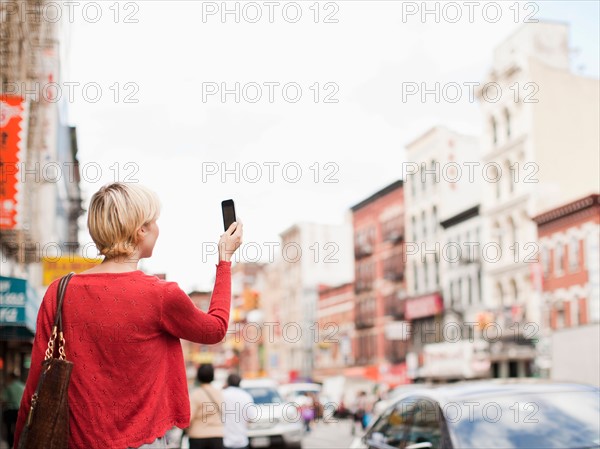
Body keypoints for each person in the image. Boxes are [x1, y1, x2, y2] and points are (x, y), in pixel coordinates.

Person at [13, 182, 243, 449]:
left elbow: (35, 387)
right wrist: (225, 259)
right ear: (141, 230)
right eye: (154, 220)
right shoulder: (161, 295)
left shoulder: (59, 292)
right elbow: (214, 329)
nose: (158, 227)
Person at [188, 364, 224, 449]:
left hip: (198, 436)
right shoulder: (219, 393)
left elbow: (189, 418)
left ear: (198, 376)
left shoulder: (195, 395)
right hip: (217, 436)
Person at [221, 374, 255, 449]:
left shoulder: (222, 394)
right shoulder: (246, 396)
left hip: (225, 441)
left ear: (227, 382)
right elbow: (251, 418)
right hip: (241, 441)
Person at [1, 372, 25, 449]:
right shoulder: (22, 386)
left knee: (8, 429)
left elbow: (4, 400)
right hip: (19, 410)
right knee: (17, 428)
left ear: (11, 378)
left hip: (9, 410)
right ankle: (16, 444)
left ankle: (10, 444)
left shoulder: (9, 387)